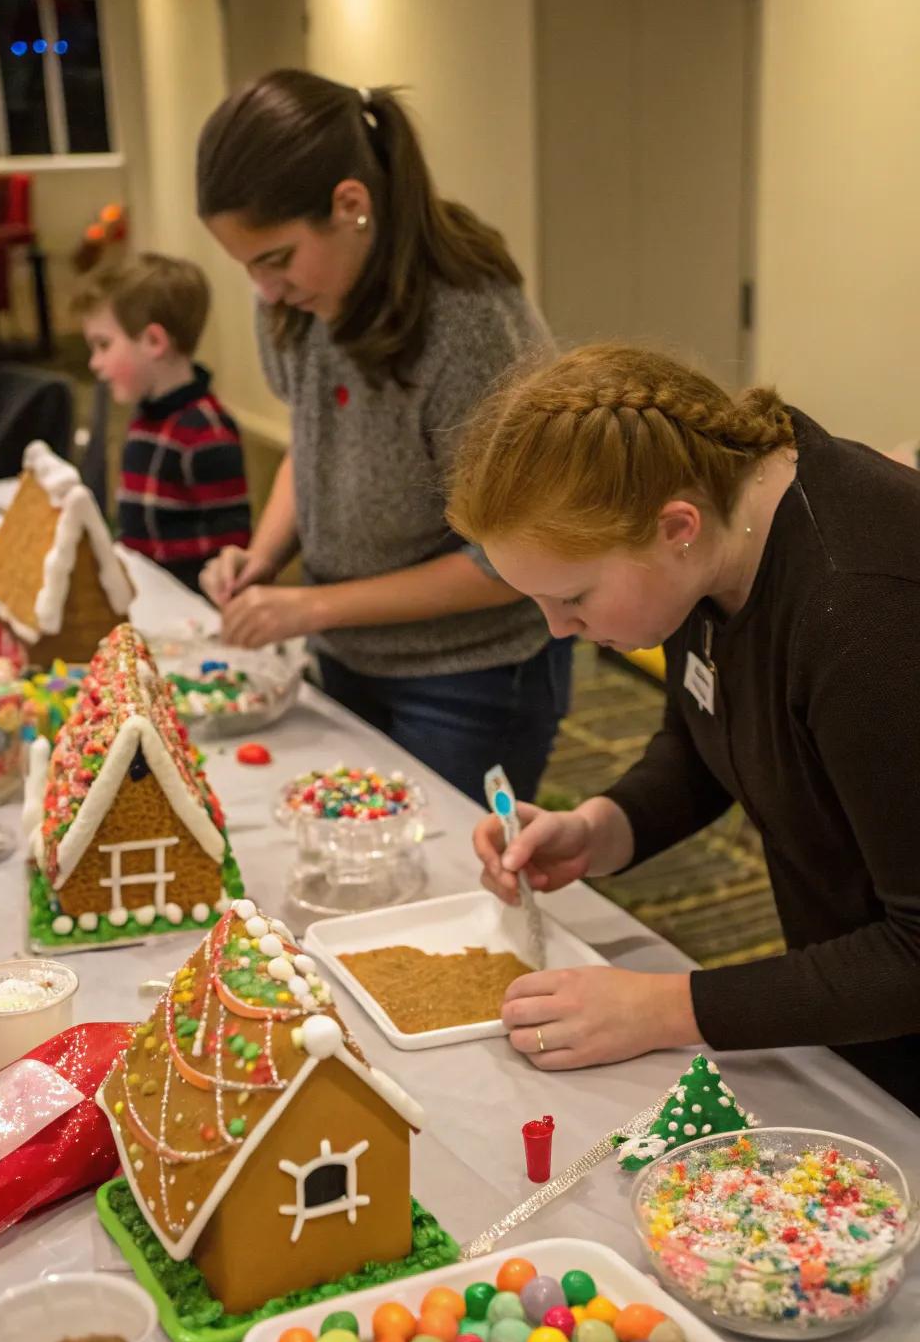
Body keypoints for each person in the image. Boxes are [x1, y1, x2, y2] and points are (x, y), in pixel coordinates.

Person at [450, 342, 920, 1116]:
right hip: (858, 1008)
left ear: (677, 526)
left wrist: (666, 1008)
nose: (559, 630)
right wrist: (603, 826)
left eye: (573, 597)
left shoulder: (866, 614)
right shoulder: (713, 535)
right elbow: (710, 736)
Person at [195, 70, 571, 805]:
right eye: (247, 268)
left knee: (439, 884)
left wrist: (312, 607)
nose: (265, 288)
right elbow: (314, 444)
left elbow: (513, 557)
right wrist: (266, 558)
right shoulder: (295, 302)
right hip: (349, 654)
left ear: (351, 205)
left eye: (274, 259)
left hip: (470, 679)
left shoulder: (468, 321)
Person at [72, 253, 250, 594]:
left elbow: (232, 545)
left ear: (154, 341)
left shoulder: (206, 431)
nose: (95, 363)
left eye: (103, 345)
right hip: (147, 589)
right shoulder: (146, 415)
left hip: (188, 602)